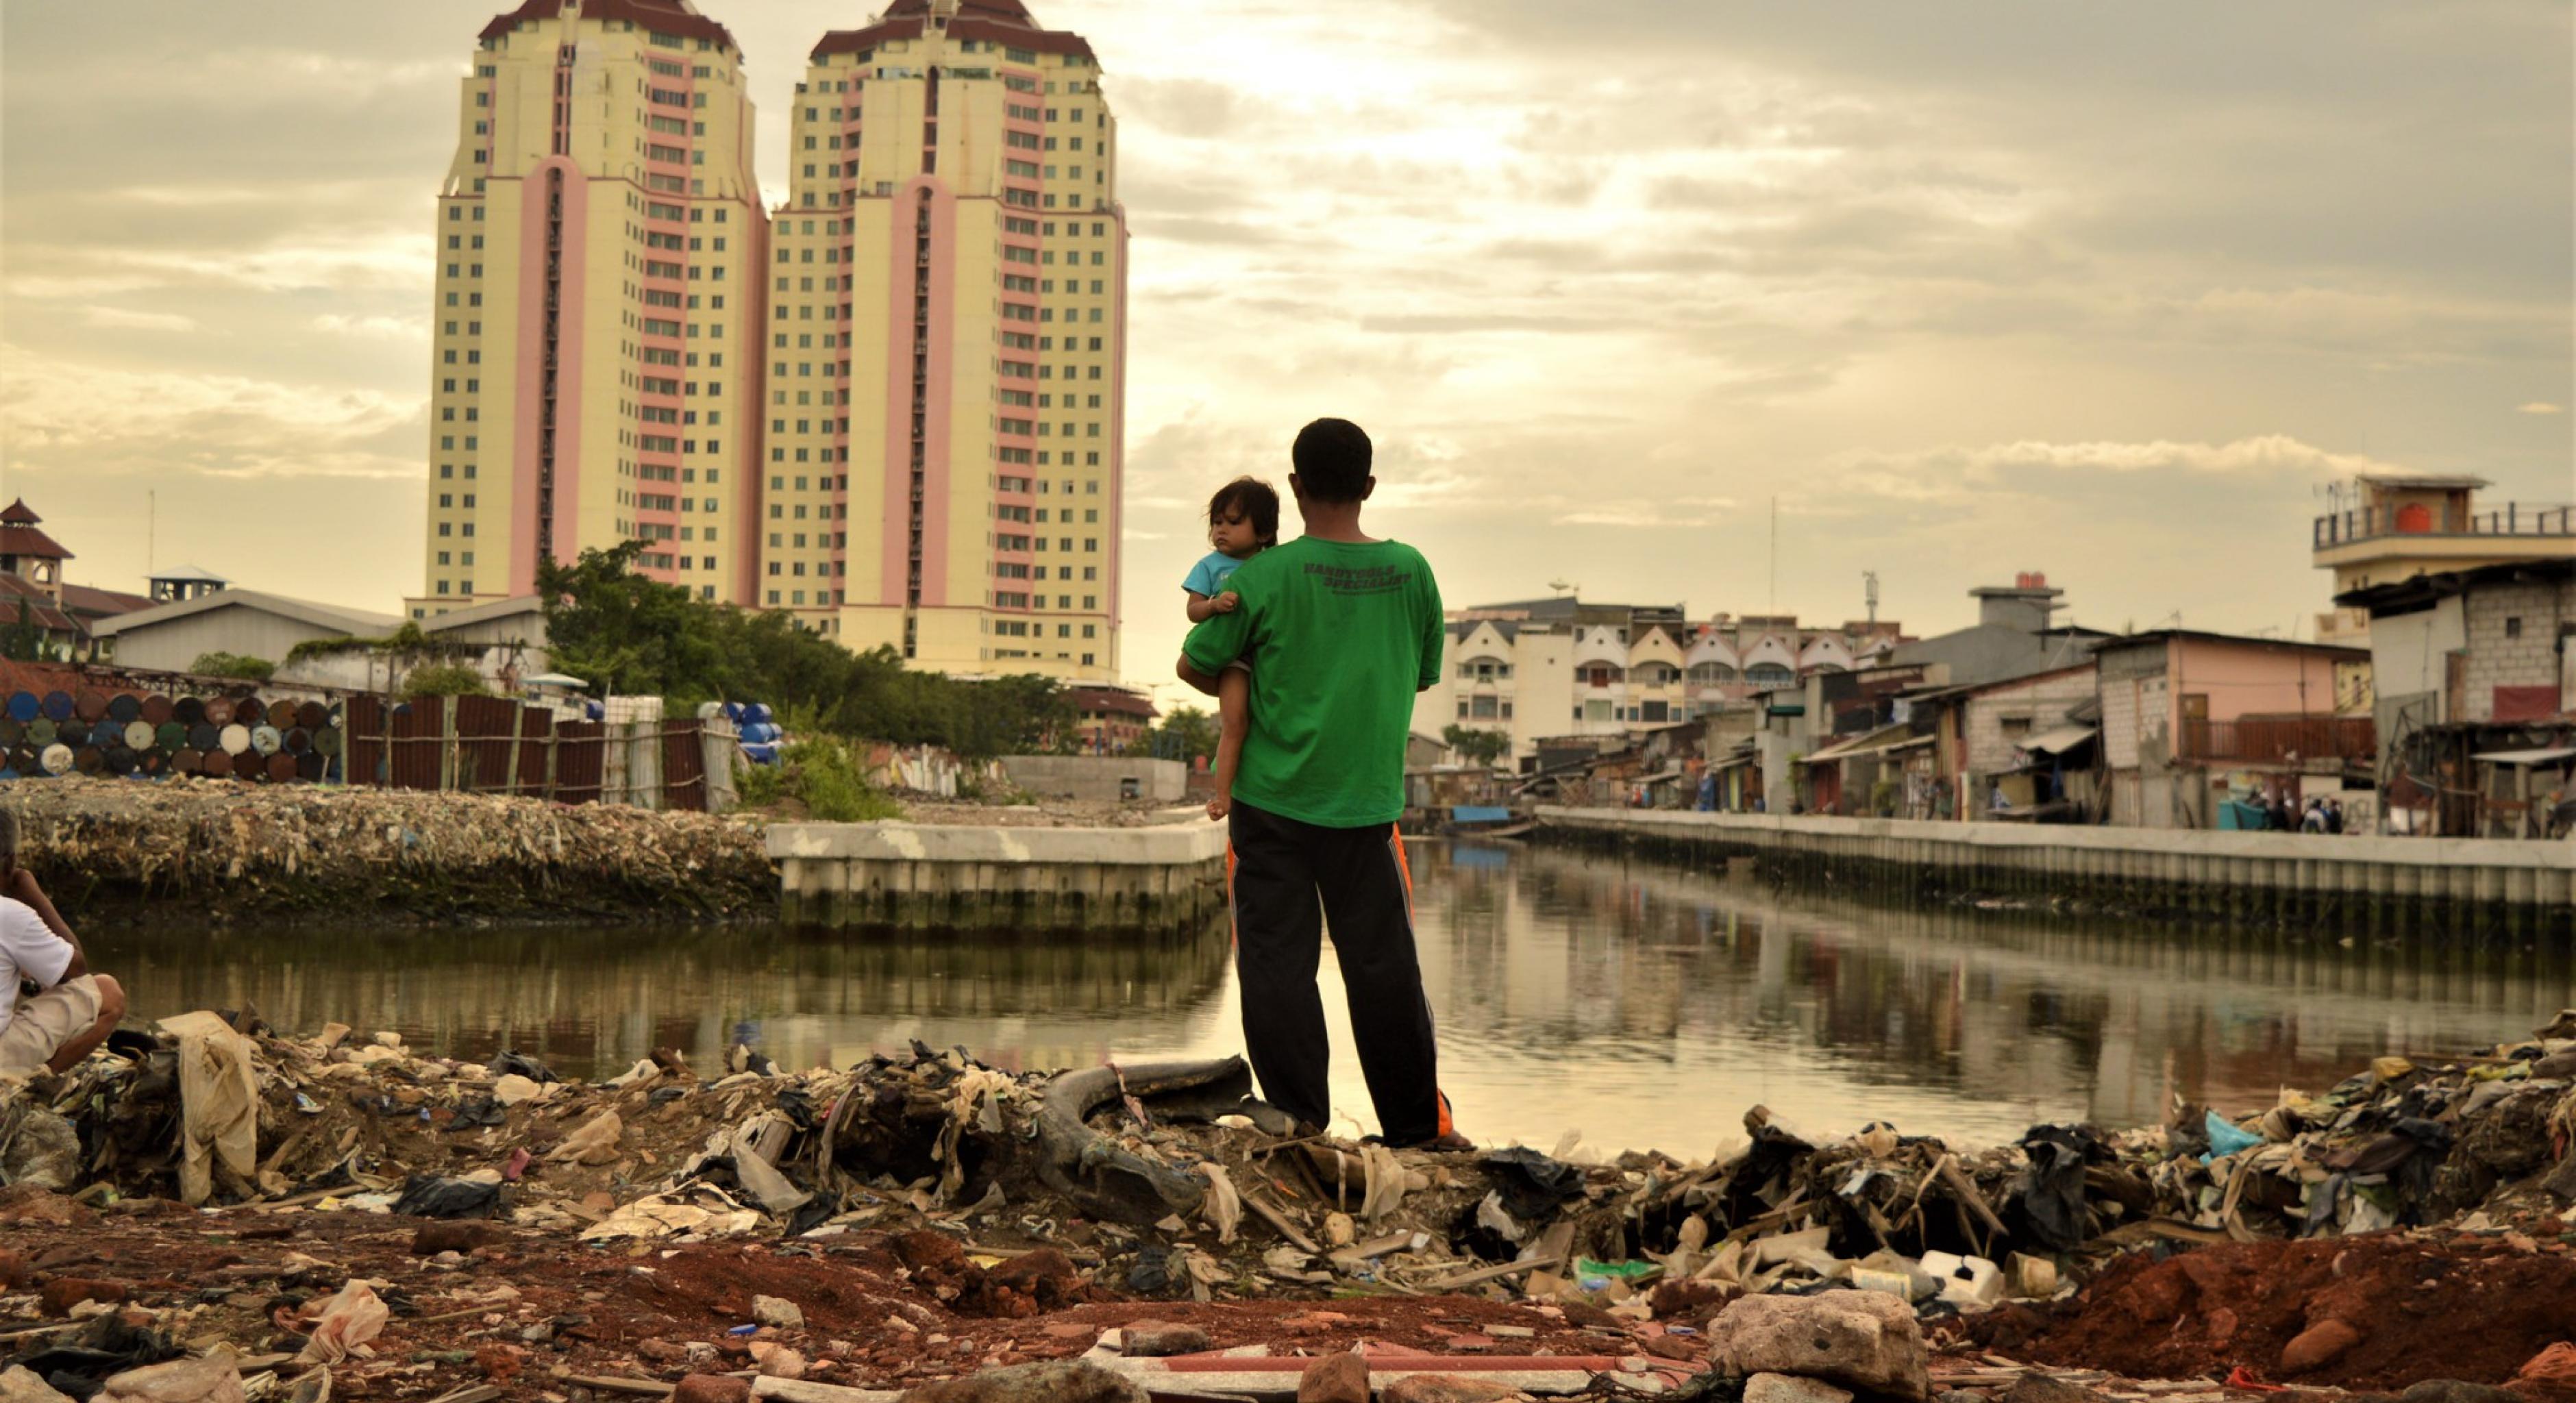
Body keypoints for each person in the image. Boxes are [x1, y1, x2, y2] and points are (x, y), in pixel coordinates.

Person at [1178, 418, 1467, 1151]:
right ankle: (1412, 1130)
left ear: (1297, 487)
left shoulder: (1258, 577)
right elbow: (1423, 669)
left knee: (1277, 966)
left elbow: (1199, 656)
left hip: (1270, 806)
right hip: (1366, 808)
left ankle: (1298, 1126)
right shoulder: (1412, 571)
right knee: (1386, 970)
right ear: (1368, 487)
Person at [1182, 477, 1282, 821]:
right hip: (1236, 660)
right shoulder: (1210, 566)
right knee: (1235, 723)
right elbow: (1192, 611)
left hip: (1272, 655)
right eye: (1217, 523)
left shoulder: (1275, 565)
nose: (1221, 530)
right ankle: (1223, 795)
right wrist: (1213, 605)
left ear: (1265, 533)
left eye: (1233, 522)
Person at [0, 809, 127, 1078]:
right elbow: (77, 969)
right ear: (10, 862)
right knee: (108, 992)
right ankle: (33, 1087)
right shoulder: (10, 914)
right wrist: (34, 895)